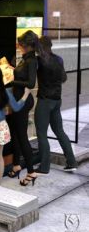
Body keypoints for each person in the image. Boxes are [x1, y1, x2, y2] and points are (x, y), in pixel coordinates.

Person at [34, 36, 78, 174]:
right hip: (56, 100)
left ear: (40, 47)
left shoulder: (39, 60)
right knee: (59, 131)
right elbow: (64, 78)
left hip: (44, 101)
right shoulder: (59, 59)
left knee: (41, 133)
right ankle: (71, 162)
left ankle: (44, 167)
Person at [8, 30, 39, 186]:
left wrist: (14, 82)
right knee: (15, 134)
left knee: (22, 137)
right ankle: (16, 164)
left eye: (21, 44)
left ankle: (31, 172)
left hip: (23, 101)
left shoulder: (31, 60)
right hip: (17, 100)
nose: (19, 46)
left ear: (27, 46)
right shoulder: (24, 58)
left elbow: (31, 83)